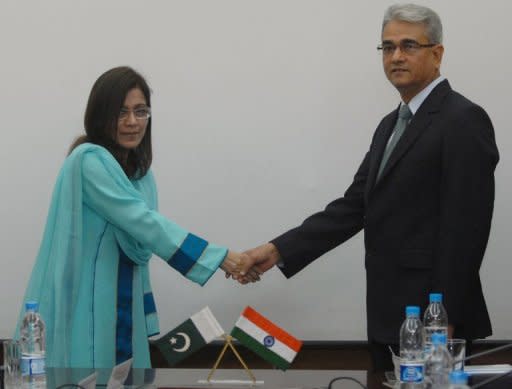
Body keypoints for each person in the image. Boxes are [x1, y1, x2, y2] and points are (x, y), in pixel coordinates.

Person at [240, 3, 499, 371]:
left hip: (433, 324)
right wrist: (277, 250)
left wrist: (442, 319)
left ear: (437, 54)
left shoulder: (463, 119)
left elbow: (466, 232)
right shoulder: (390, 124)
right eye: (388, 47)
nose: (396, 56)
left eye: (409, 46)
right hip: (387, 317)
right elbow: (354, 207)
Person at [16, 66, 253, 369]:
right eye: (121, 112)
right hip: (89, 310)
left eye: (141, 112)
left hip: (126, 308)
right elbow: (144, 223)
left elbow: (143, 237)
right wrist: (221, 257)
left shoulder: (141, 175)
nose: (132, 122)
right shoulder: (88, 162)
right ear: (101, 116)